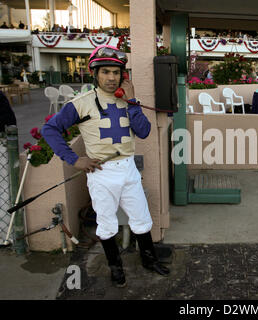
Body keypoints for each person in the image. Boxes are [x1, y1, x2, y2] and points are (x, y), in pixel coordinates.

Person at [41, 45, 170, 288]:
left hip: (129, 168)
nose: (111, 78)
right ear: (95, 74)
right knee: (107, 223)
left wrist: (133, 101)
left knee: (141, 219)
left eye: (116, 72)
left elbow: (143, 131)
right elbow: (50, 129)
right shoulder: (81, 103)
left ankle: (149, 260)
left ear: (123, 75)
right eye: (105, 72)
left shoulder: (128, 100)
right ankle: (116, 269)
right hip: (102, 173)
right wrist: (74, 159)